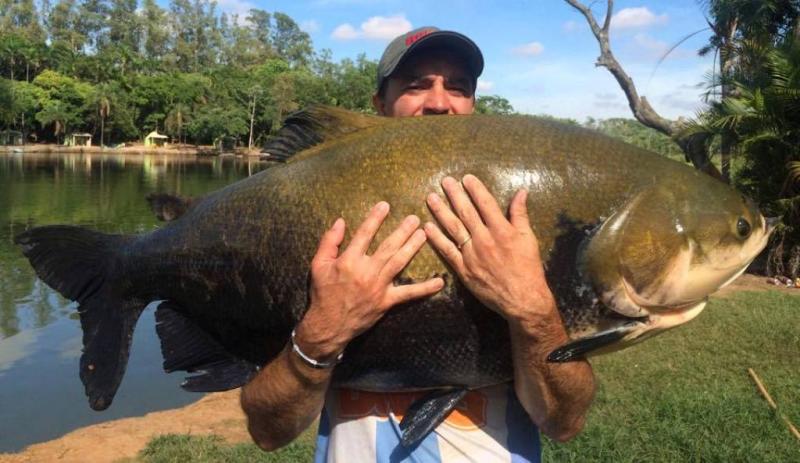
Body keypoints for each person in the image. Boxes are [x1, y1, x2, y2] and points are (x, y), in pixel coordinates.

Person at [241, 27, 595, 462]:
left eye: (458, 88)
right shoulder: (324, 219)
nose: (439, 103)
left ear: (473, 105)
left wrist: (533, 311)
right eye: (416, 85)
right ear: (379, 104)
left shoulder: (518, 224)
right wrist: (322, 333)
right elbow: (268, 431)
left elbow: (564, 422)